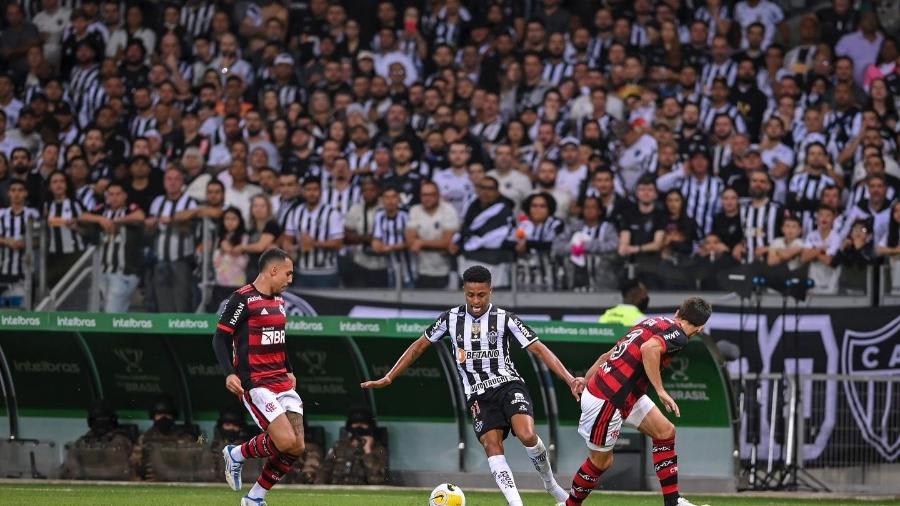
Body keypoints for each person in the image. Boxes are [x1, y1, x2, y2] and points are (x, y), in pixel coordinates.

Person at [362, 266, 584, 506]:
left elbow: (539, 349)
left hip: (508, 385)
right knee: (491, 445)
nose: (476, 300)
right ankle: (516, 504)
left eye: (481, 294)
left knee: (527, 434)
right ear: (464, 292)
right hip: (478, 395)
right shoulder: (450, 319)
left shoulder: (505, 319)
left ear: (490, 291)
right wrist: (390, 377)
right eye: (470, 295)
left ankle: (550, 485)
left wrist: (570, 379)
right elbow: (418, 346)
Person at [562, 297, 713, 506]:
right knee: (601, 462)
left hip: (625, 394)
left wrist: (586, 379)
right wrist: (660, 390)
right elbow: (649, 349)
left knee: (665, 432)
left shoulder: (653, 322)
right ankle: (569, 505)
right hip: (609, 399)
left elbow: (610, 354)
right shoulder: (679, 335)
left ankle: (673, 502)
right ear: (701, 327)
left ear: (678, 311)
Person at [214, 248, 305, 506]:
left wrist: (288, 367)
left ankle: (255, 498)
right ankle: (237, 454)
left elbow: (278, 340)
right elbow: (219, 338)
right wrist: (229, 374)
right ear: (273, 270)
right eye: (288, 273)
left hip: (282, 380)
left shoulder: (279, 301)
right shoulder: (242, 299)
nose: (290, 279)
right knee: (285, 440)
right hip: (256, 383)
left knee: (297, 447)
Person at [78, 182, 145, 313]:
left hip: (124, 271)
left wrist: (115, 221)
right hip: (102, 270)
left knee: (112, 311)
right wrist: (100, 219)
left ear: (125, 196)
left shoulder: (130, 209)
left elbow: (140, 216)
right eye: (111, 194)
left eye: (118, 194)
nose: (114, 198)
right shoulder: (102, 210)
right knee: (110, 311)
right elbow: (82, 216)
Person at [406, 181, 459, 289]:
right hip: (420, 271)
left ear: (438, 195)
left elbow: (447, 241)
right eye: (424, 195)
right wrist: (436, 243)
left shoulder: (448, 210)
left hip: (445, 270)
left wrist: (421, 242)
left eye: (431, 194)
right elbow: (410, 241)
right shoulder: (414, 210)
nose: (427, 198)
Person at [315, 407, 388, 485]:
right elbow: (324, 471)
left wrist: (368, 451)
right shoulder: (338, 446)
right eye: (355, 423)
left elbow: (377, 480)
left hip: (362, 492)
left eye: (363, 424)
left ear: (370, 426)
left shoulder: (378, 449)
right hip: (336, 489)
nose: (359, 426)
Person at [129, 395, 195, 481]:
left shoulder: (184, 437)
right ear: (153, 416)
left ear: (173, 416)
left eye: (167, 414)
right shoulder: (145, 438)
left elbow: (191, 467)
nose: (163, 417)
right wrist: (141, 470)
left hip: (177, 482)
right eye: (159, 414)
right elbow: (133, 464)